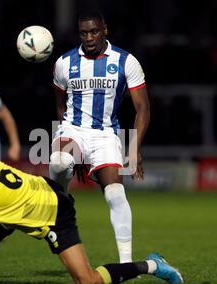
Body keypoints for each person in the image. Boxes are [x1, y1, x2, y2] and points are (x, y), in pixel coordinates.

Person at [0, 150, 183, 284]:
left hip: (53, 213)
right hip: (43, 188)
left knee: (87, 281)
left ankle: (151, 265)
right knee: (8, 214)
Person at [50, 11, 150, 263]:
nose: (89, 37)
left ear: (105, 29)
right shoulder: (64, 63)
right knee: (60, 162)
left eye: (94, 31)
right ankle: (63, 200)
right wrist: (75, 146)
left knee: (116, 194)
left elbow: (143, 109)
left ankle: (126, 264)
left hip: (105, 134)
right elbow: (60, 106)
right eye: (84, 33)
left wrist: (133, 149)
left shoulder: (126, 61)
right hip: (73, 128)